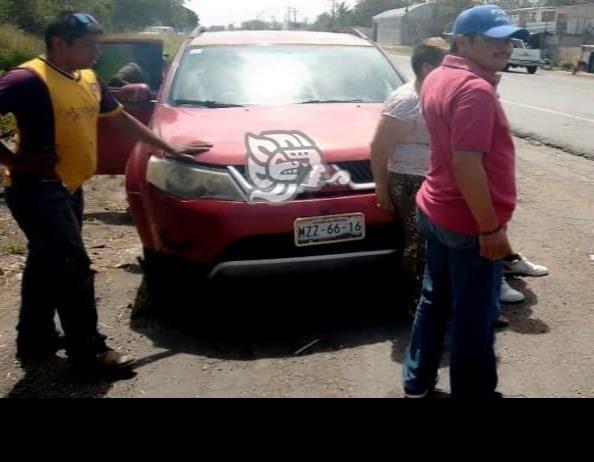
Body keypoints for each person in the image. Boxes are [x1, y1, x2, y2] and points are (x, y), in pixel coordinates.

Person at [0, 12, 212, 372]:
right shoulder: (27, 79)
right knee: (73, 268)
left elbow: (121, 119)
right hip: (37, 189)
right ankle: (89, 353)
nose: (98, 50)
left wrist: (167, 148)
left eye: (98, 43)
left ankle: (34, 339)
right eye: (89, 44)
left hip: (69, 186)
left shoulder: (88, 78)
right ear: (59, 44)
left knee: (44, 264)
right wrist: (16, 162)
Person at [401, 5, 529, 398]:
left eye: (508, 38)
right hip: (466, 221)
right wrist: (490, 229)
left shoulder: (440, 74)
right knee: (475, 318)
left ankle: (417, 381)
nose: (505, 46)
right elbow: (467, 165)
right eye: (492, 39)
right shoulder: (473, 88)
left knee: (434, 298)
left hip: (435, 207)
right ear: (463, 41)